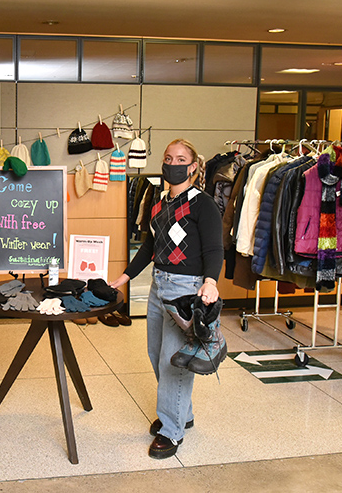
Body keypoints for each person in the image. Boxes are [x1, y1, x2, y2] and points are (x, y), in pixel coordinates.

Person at [109, 138, 223, 459]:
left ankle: (171, 432)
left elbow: (214, 249)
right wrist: (124, 277)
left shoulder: (203, 204)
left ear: (193, 166)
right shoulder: (159, 203)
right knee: (155, 352)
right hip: (160, 286)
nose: (173, 163)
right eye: (168, 158)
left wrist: (210, 282)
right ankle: (181, 414)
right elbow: (149, 246)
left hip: (187, 290)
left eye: (181, 158)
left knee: (172, 361)